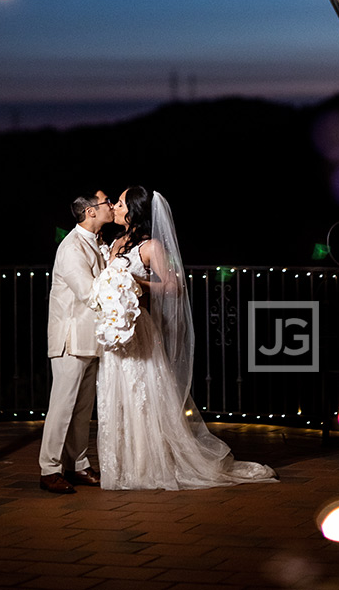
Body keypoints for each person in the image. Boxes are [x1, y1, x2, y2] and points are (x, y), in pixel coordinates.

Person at [96, 185, 278, 489]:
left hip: (139, 330)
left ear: (134, 211)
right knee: (117, 395)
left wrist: (135, 282)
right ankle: (123, 464)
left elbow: (172, 287)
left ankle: (148, 463)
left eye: (121, 202)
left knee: (142, 395)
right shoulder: (114, 242)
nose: (114, 205)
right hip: (115, 331)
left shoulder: (151, 247)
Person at [39, 190, 114, 494]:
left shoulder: (96, 243)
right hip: (70, 338)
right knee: (62, 406)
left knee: (83, 409)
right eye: (106, 203)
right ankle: (49, 469)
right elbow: (88, 292)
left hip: (90, 337)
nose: (110, 206)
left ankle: (78, 464)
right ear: (90, 212)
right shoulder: (71, 248)